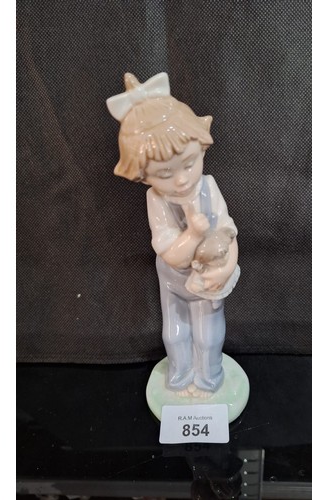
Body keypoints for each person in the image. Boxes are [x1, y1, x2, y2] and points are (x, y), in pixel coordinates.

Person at [107, 72, 239, 398]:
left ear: (202, 151)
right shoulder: (156, 200)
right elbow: (171, 254)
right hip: (173, 281)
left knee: (208, 336)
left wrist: (224, 269)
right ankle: (181, 377)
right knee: (175, 334)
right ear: (142, 176)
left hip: (207, 283)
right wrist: (193, 234)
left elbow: (228, 232)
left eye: (189, 164)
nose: (181, 180)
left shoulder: (208, 187)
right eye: (164, 174)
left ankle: (209, 379)